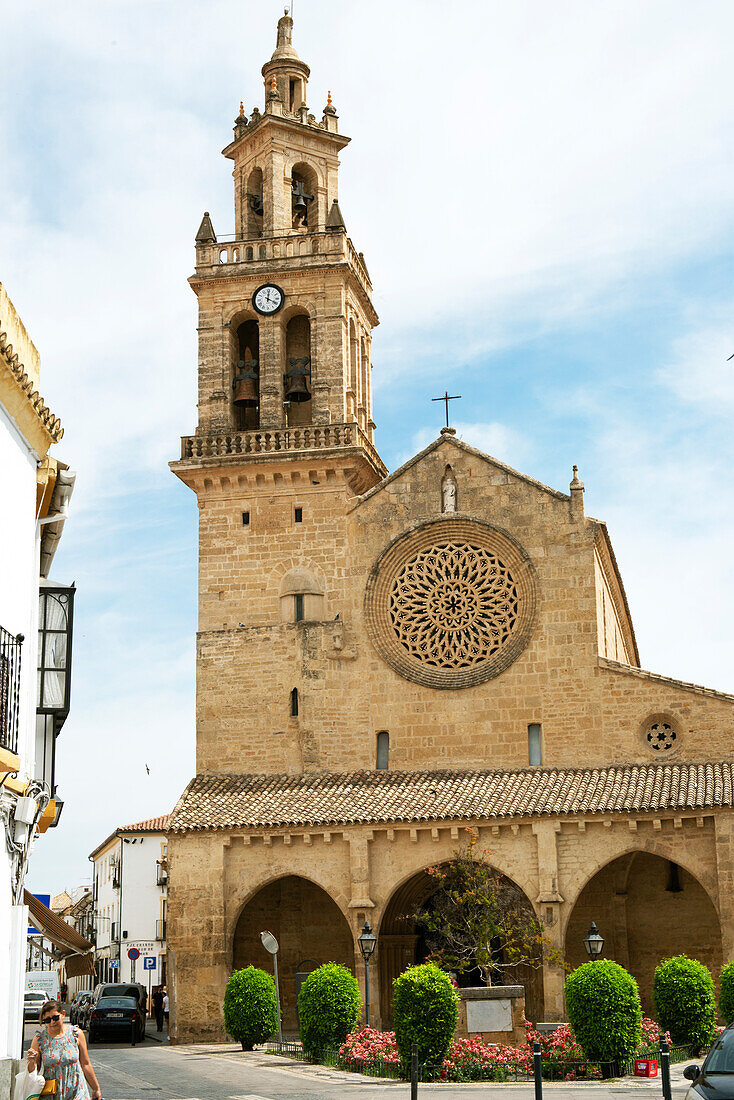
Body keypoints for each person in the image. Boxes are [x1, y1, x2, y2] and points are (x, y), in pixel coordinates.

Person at [27, 1000, 101, 1100]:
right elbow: (33, 1072)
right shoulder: (40, 1039)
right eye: (47, 1020)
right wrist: (31, 1062)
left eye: (55, 1017)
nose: (52, 1022)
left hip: (77, 1090)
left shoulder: (76, 1034)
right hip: (52, 1093)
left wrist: (96, 1089)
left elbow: (85, 1064)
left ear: (63, 1014)